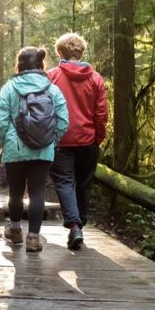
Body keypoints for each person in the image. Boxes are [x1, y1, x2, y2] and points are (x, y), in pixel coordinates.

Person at [0, 47, 69, 252]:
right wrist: (52, 142)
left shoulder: (9, 88)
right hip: (43, 150)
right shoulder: (52, 89)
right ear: (40, 65)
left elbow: (0, 120)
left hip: (14, 149)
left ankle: (15, 230)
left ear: (19, 65)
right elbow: (63, 120)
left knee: (15, 192)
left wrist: (2, 143)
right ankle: (33, 239)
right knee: (37, 193)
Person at [48, 33, 108, 250]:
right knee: (83, 184)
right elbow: (101, 113)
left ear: (60, 53)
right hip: (88, 140)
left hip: (61, 140)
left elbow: (45, 109)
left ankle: (75, 226)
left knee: (64, 182)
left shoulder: (52, 76)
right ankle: (79, 223)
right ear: (80, 52)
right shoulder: (96, 79)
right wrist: (98, 137)